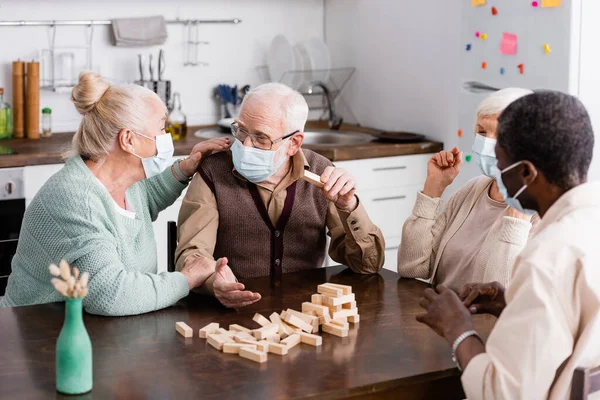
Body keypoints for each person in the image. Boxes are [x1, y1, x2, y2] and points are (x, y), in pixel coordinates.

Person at [416, 91, 600, 399]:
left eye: (501, 164)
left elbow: (502, 393)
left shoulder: (547, 255)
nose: (497, 176)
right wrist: (512, 304)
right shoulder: (589, 224)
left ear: (526, 172)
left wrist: (458, 329)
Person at [0, 72, 230, 316]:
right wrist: (187, 278)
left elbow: (147, 197)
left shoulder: (125, 182)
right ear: (128, 140)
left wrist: (186, 167)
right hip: (36, 336)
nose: (166, 138)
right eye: (162, 128)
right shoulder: (77, 201)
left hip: (96, 332)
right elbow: (113, 294)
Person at [176, 83, 385, 308]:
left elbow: (367, 265)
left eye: (261, 137)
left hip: (305, 313)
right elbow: (192, 256)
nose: (245, 145)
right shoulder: (213, 171)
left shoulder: (321, 173)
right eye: (242, 130)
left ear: (293, 143)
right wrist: (213, 282)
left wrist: (349, 206)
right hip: (232, 314)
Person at [397, 88, 538, 292]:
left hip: (476, 324)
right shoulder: (473, 189)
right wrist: (432, 190)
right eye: (482, 132)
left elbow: (501, 299)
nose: (488, 143)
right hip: (439, 316)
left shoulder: (540, 214)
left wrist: (516, 219)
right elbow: (411, 267)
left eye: (500, 134)